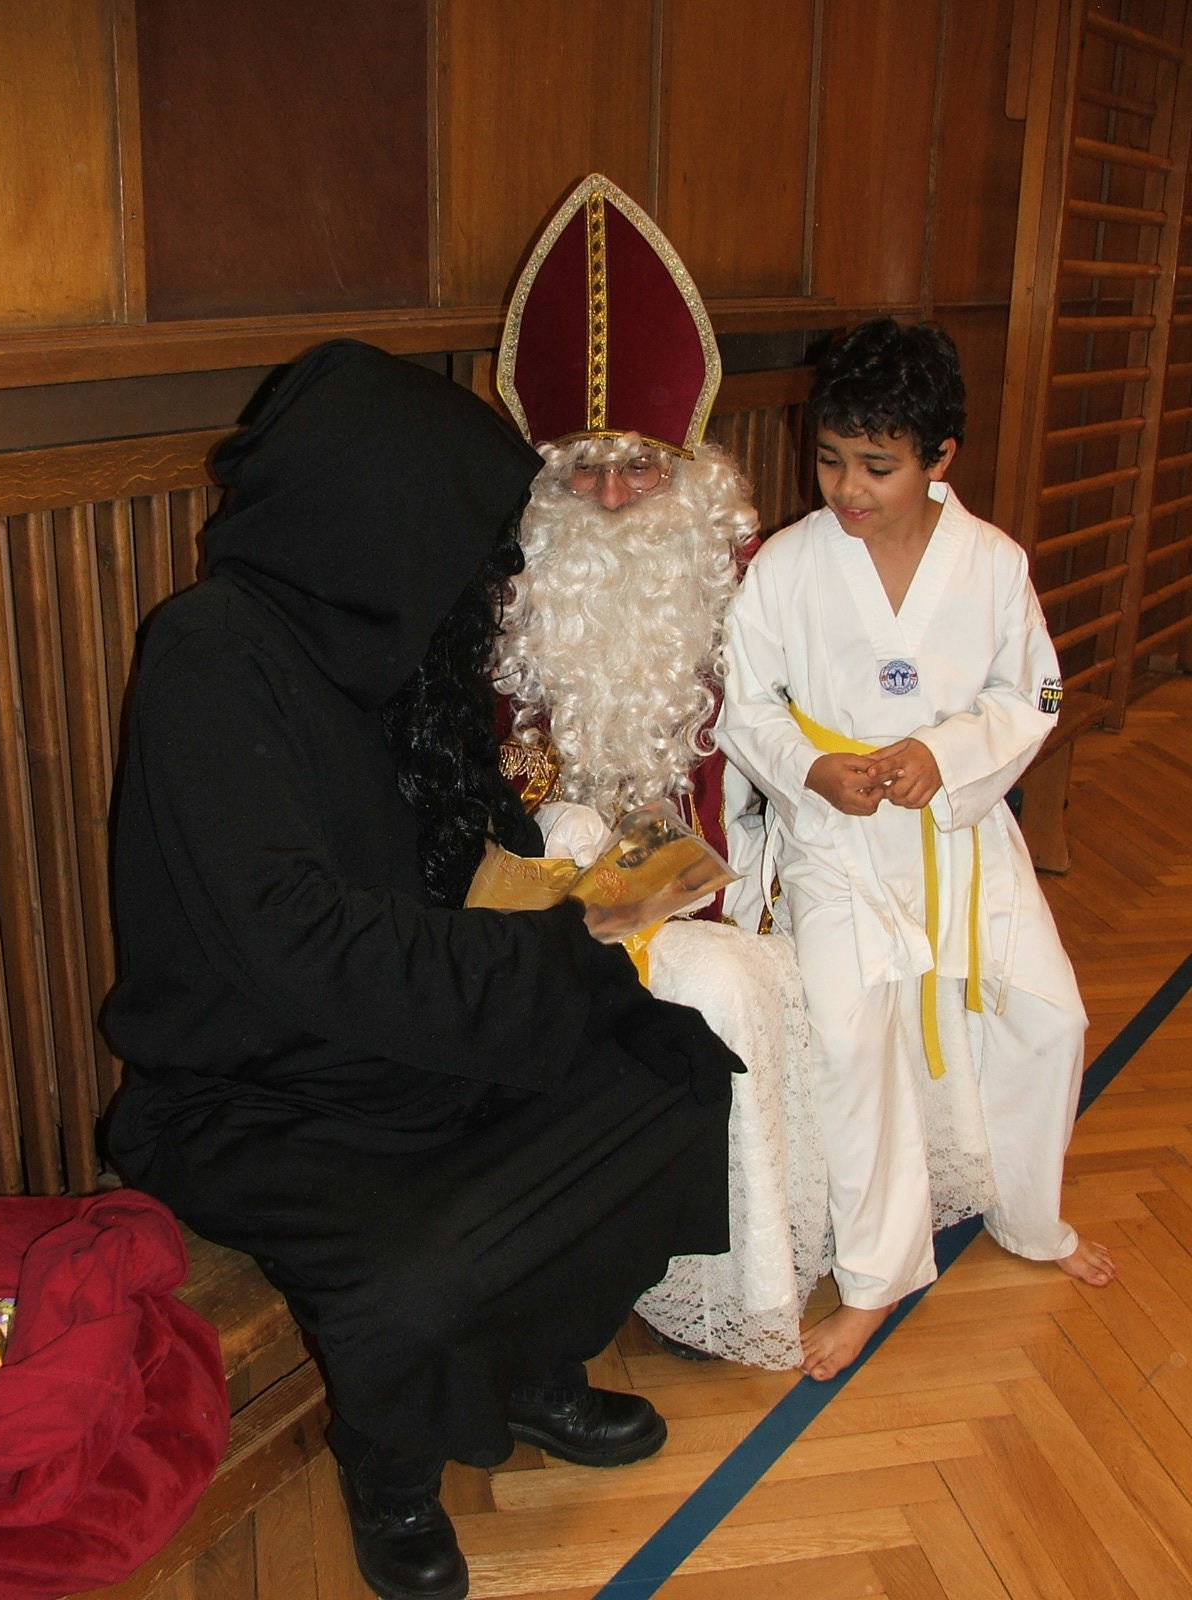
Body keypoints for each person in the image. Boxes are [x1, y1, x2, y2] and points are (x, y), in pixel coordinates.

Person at [102, 340, 744, 1600]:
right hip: (251, 1084)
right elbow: (293, 936)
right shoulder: (211, 651)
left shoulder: (383, 641)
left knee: (668, 1075)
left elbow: (451, 855)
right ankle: (389, 1467)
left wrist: (563, 903)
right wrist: (530, 961)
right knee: (417, 1265)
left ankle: (534, 1362)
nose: (480, 570)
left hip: (393, 1034)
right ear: (376, 510)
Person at [717, 317, 1116, 1383]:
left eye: (877, 466)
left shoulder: (992, 564)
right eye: (830, 459)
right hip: (837, 843)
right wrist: (811, 767)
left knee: (1050, 1016)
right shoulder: (787, 568)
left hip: (962, 836)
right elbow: (747, 706)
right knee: (854, 1044)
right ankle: (875, 1278)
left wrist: (947, 753)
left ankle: (1029, 1214)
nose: (847, 488)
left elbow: (1035, 694)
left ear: (940, 459)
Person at [493, 174, 831, 1370]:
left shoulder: (749, 572)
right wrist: (566, 842)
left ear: (689, 464)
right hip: (563, 892)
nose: (609, 498)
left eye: (638, 466)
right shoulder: (517, 581)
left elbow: (799, 737)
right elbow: (499, 770)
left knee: (738, 983)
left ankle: (736, 1277)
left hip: (738, 878)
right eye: (581, 470)